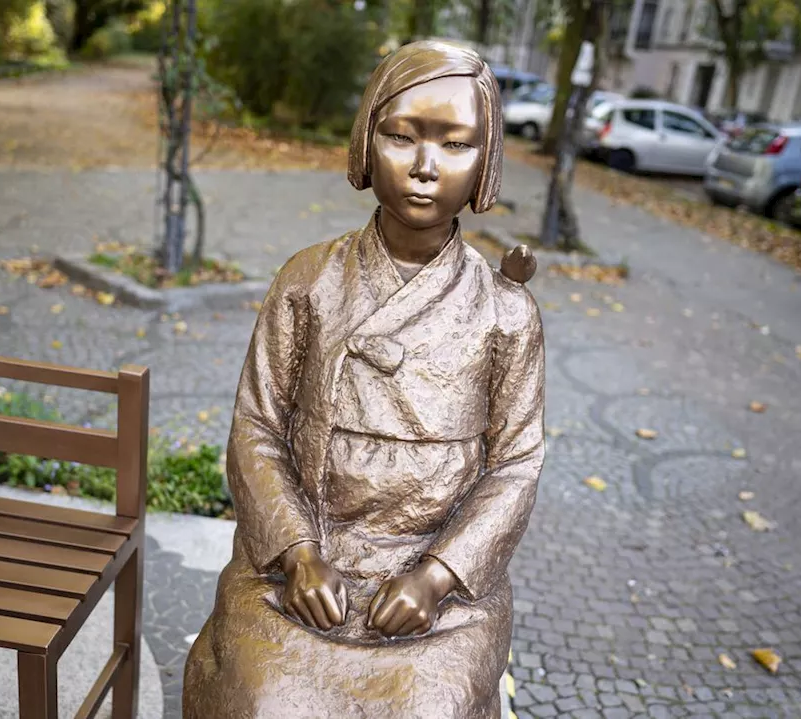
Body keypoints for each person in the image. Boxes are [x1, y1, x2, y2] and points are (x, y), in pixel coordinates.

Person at [182, 39, 546, 719]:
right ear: (365, 141)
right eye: (400, 136)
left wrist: (438, 576)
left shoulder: (507, 312)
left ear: (485, 161)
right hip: (305, 562)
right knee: (261, 699)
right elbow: (256, 427)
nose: (425, 167)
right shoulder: (307, 280)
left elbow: (517, 464)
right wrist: (296, 553)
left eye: (456, 144)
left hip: (437, 585)